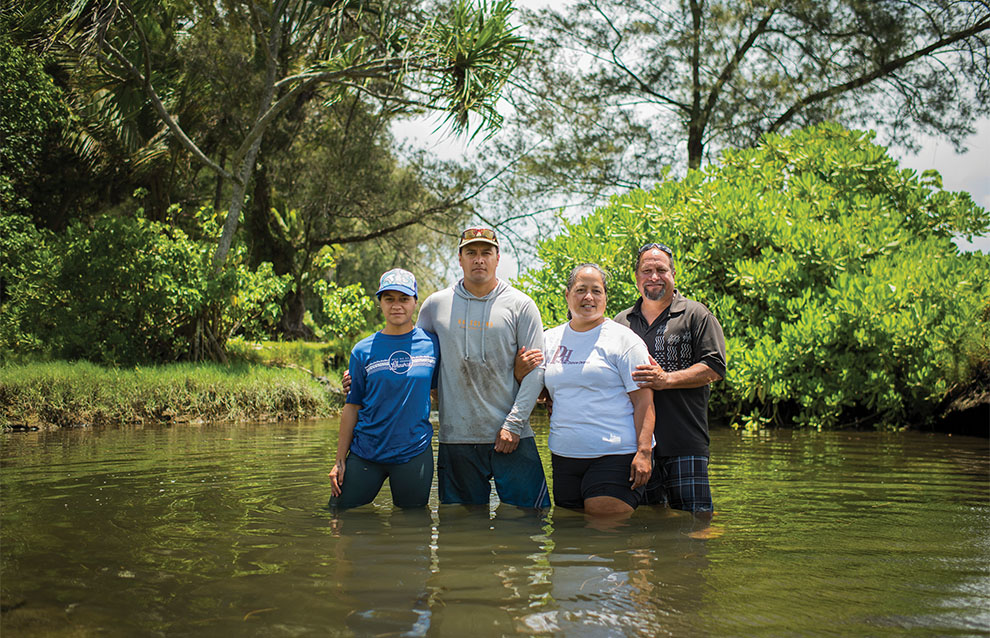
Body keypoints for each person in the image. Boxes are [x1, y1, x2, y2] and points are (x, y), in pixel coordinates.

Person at [342, 228, 550, 510]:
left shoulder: (521, 305)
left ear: (498, 258)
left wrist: (513, 425)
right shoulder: (435, 305)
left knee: (529, 520)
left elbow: (537, 370)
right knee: (461, 529)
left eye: (486, 253)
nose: (479, 260)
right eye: (471, 253)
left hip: (512, 435)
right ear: (460, 259)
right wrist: (363, 378)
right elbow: (414, 357)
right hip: (456, 438)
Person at [614, 243, 726, 516]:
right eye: (646, 270)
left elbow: (715, 367)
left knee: (696, 522)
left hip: (685, 441)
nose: (654, 277)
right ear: (636, 277)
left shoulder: (696, 315)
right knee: (645, 525)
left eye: (661, 270)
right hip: (635, 446)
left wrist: (666, 379)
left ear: (674, 273)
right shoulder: (621, 322)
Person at [541, 263, 655, 516]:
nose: (588, 297)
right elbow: (540, 387)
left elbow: (644, 402)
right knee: (567, 542)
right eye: (581, 290)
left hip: (616, 454)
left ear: (605, 297)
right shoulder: (549, 339)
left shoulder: (624, 340)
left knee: (603, 532)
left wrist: (644, 453)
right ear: (568, 295)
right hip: (565, 454)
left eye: (596, 291)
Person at [328, 268, 440, 511]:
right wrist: (339, 460)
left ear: (415, 303)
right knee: (339, 515)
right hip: (366, 451)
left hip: (414, 452)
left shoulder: (433, 345)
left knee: (413, 528)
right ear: (380, 303)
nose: (396, 305)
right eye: (389, 299)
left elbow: (442, 390)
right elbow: (352, 405)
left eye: (404, 299)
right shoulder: (362, 350)